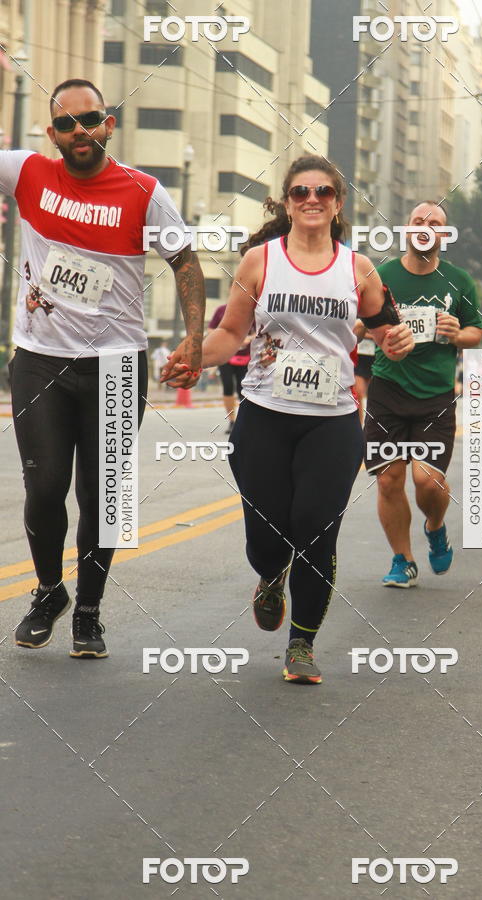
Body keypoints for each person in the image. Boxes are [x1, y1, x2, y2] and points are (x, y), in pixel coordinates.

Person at [5, 79, 205, 658]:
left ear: (109, 123)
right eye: (66, 124)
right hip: (40, 359)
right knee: (45, 486)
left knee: (103, 497)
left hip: (116, 365)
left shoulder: (144, 191)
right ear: (52, 134)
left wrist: (194, 339)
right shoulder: (26, 173)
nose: (80, 131)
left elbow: (184, 260)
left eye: (90, 119)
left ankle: (88, 611)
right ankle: (49, 592)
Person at [202, 155, 414, 684]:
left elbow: (387, 331)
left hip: (332, 422)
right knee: (267, 539)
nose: (312, 199)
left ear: (338, 203)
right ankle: (270, 575)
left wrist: (398, 340)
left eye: (323, 191)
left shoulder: (358, 269)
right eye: (301, 192)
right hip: (264, 416)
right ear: (287, 203)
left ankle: (302, 643)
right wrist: (191, 358)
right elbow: (230, 334)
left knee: (317, 530)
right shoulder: (259, 261)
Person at [364, 201, 482, 587]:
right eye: (418, 221)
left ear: (444, 235)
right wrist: (377, 331)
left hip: (435, 395)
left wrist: (457, 333)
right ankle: (403, 559)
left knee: (427, 481)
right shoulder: (381, 275)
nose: (425, 227)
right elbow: (359, 322)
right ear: (407, 229)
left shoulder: (459, 280)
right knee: (388, 479)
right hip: (387, 389)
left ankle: (435, 525)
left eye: (435, 223)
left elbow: (476, 332)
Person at [207, 302, 253, 432]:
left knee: (242, 389)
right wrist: (226, 337)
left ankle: (243, 421)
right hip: (225, 355)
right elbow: (210, 329)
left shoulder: (253, 310)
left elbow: (261, 331)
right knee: (228, 387)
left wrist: (248, 338)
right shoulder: (221, 310)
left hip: (246, 357)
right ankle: (232, 421)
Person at [352, 322, 376, 425]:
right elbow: (353, 331)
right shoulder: (356, 314)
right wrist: (368, 335)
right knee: (359, 393)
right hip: (360, 358)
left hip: (373, 358)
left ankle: (370, 424)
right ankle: (360, 424)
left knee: (373, 396)